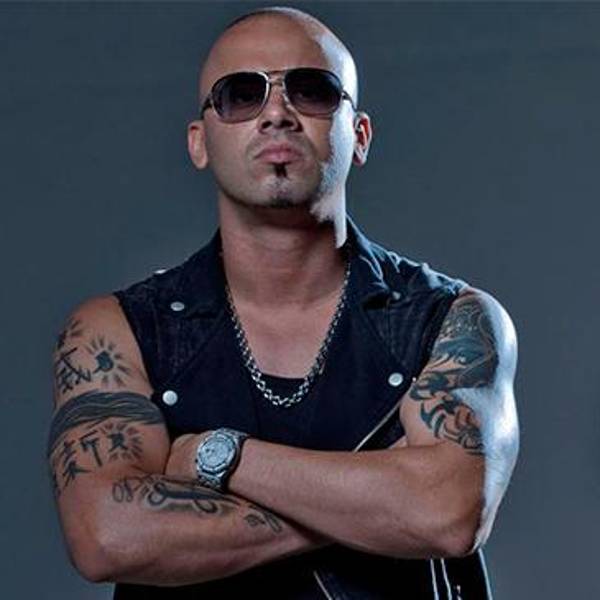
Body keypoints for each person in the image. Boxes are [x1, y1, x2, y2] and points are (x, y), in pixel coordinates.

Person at [48, 6, 519, 599]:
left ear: (359, 136)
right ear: (199, 142)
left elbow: (446, 513)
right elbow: (106, 537)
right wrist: (382, 504)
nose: (277, 113)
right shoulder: (117, 330)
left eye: (312, 90)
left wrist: (217, 457)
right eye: (240, 95)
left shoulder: (451, 319)